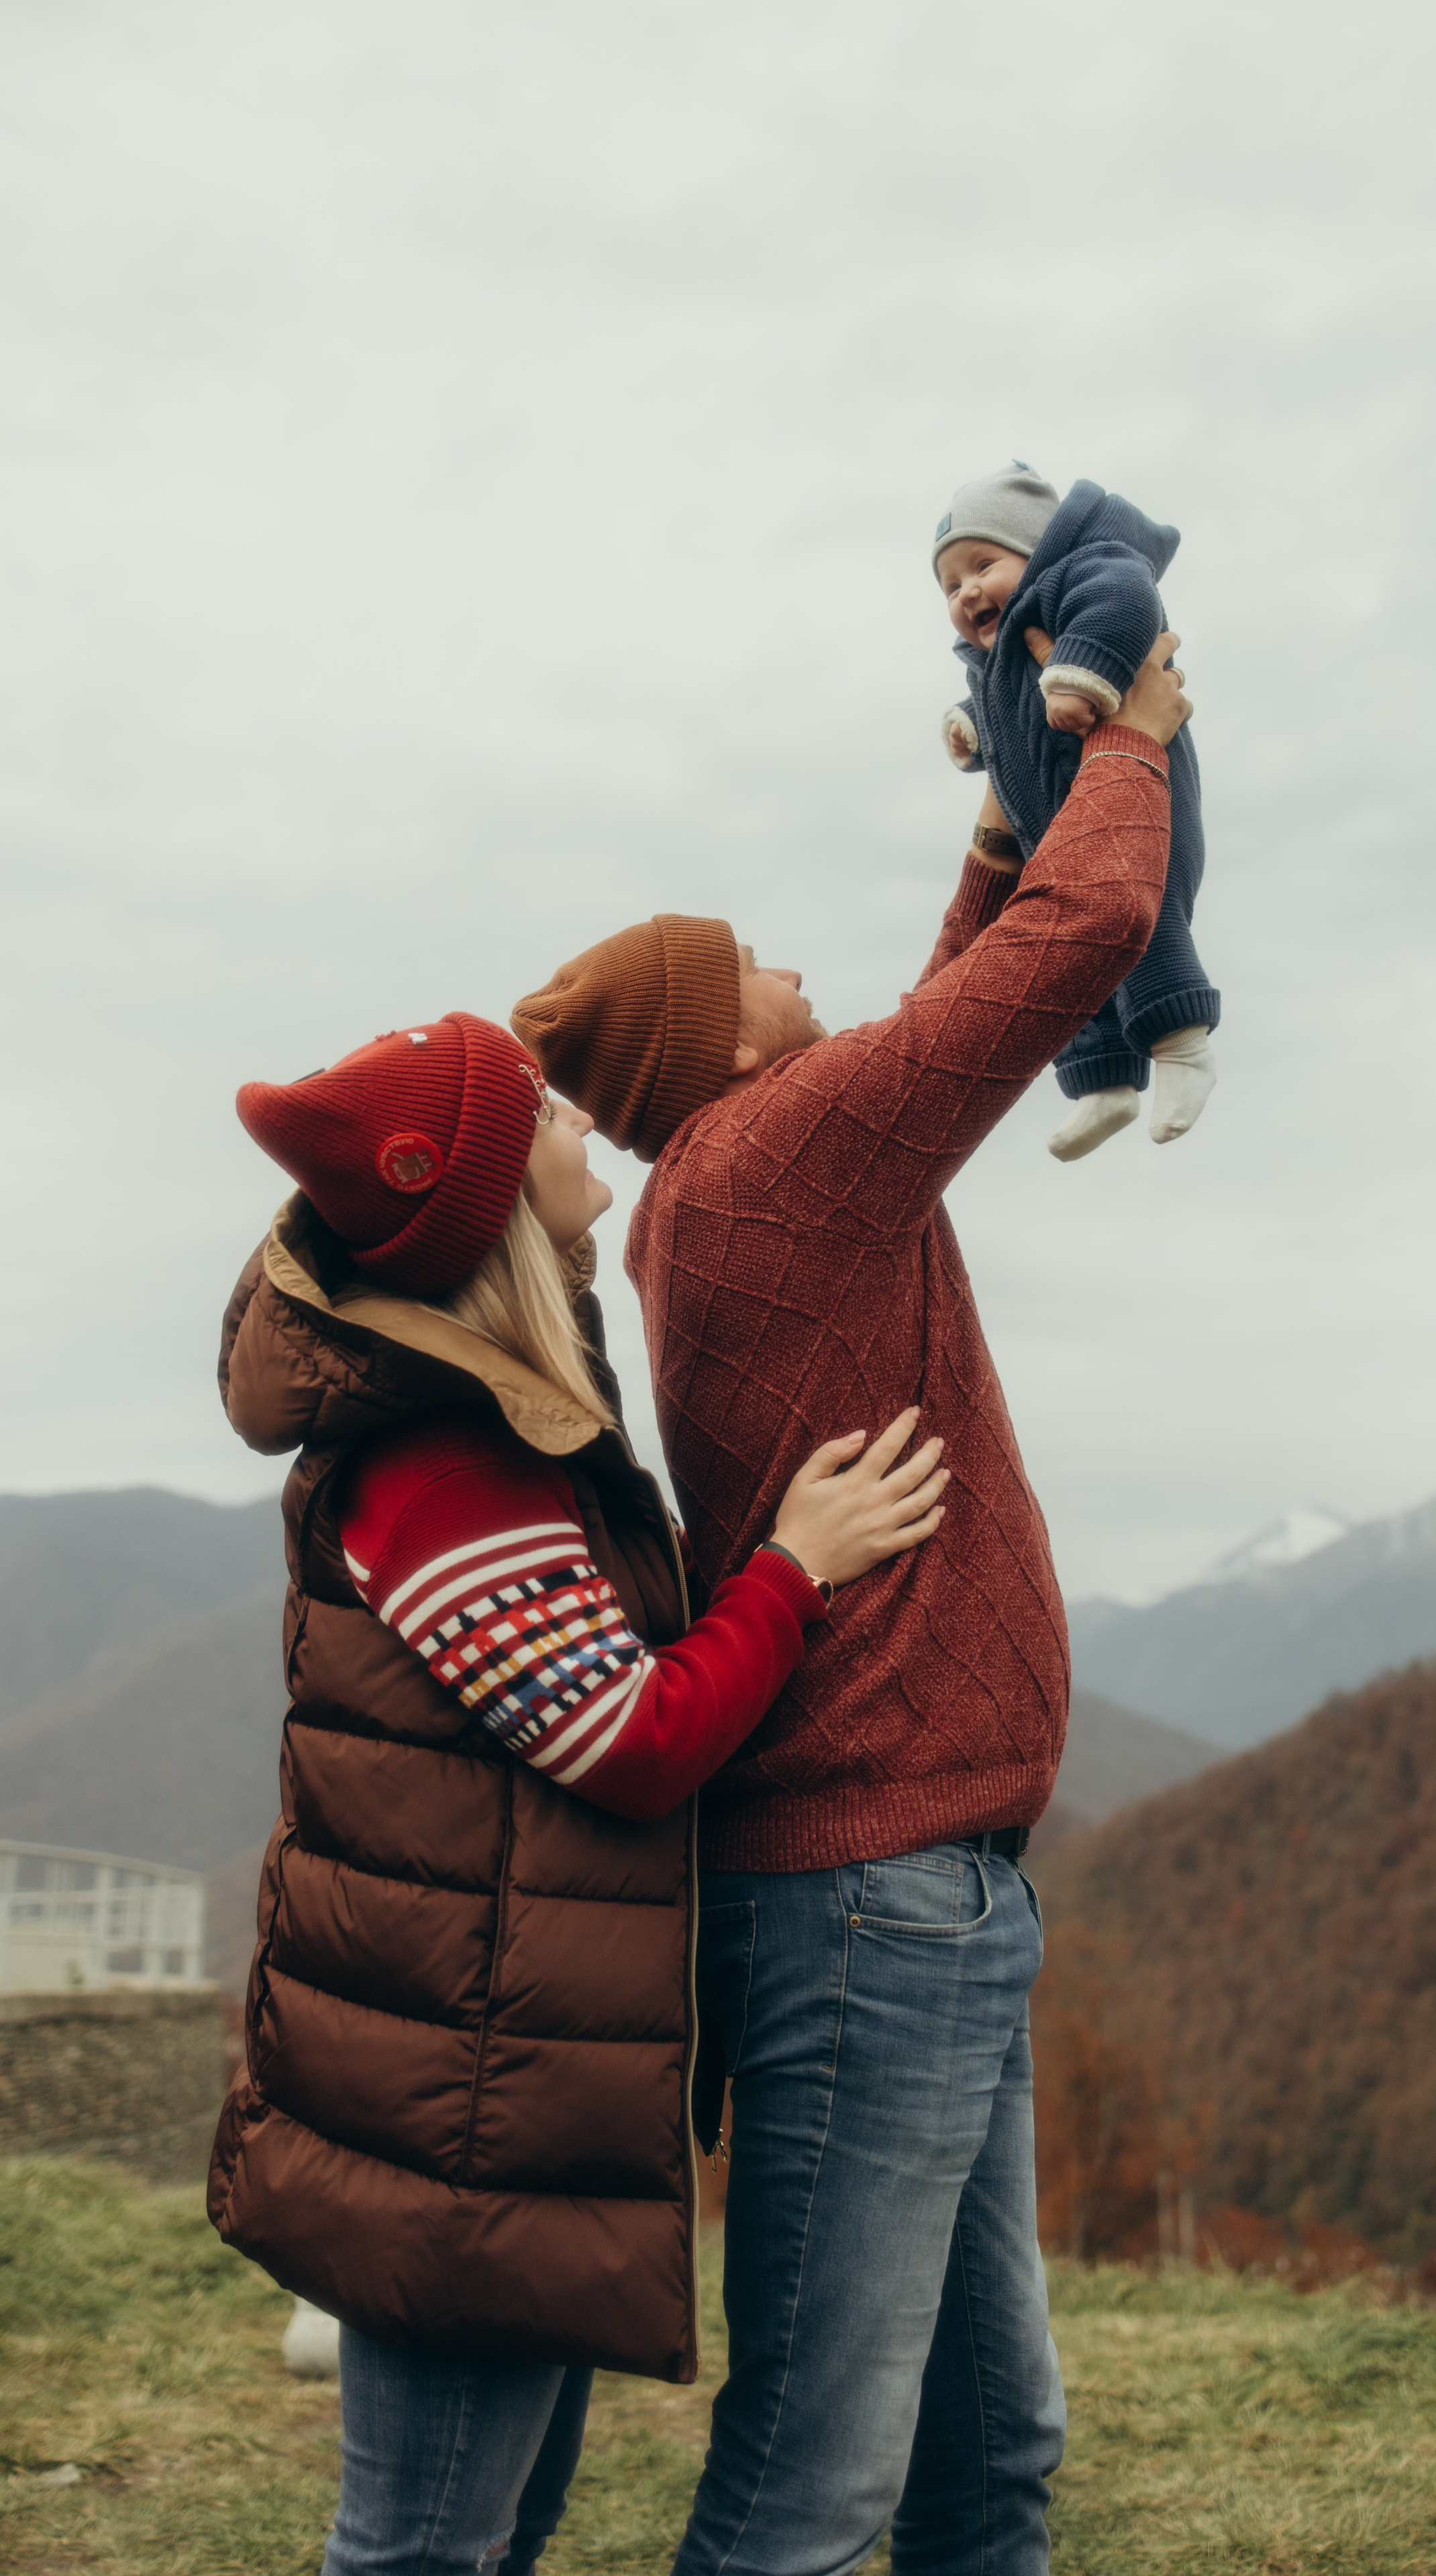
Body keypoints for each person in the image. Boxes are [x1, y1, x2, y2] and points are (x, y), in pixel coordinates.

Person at [509, 632, 1193, 2576]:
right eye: (753, 961)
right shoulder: (775, 1169)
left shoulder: (741, 1170)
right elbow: (1080, 944)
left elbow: (945, 996)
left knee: (993, 2458)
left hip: (918, 1895)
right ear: (718, 1049)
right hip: (872, 1904)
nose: (793, 964)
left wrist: (1002, 812)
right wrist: (1130, 741)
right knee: (814, 2487)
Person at [207, 1007, 947, 2576]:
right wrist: (793, 1576)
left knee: (483, 2527)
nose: (573, 1127)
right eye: (539, 1112)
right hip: (459, 2120)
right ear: (482, 1204)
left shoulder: (494, 1420)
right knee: (425, 2543)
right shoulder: (446, 1469)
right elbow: (626, 1737)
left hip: (488, 2087)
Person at [937, 460, 1220, 1162]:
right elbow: (1007, 711)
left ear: (1040, 549)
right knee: (1067, 958)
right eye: (949, 585)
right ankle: (1103, 1084)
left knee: (1139, 922)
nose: (967, 591)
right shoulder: (995, 659)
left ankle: (1183, 1050)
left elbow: (1126, 603)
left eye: (982, 564)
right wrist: (972, 728)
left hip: (1141, 809)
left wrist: (1081, 673)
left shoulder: (1085, 572)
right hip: (1056, 839)